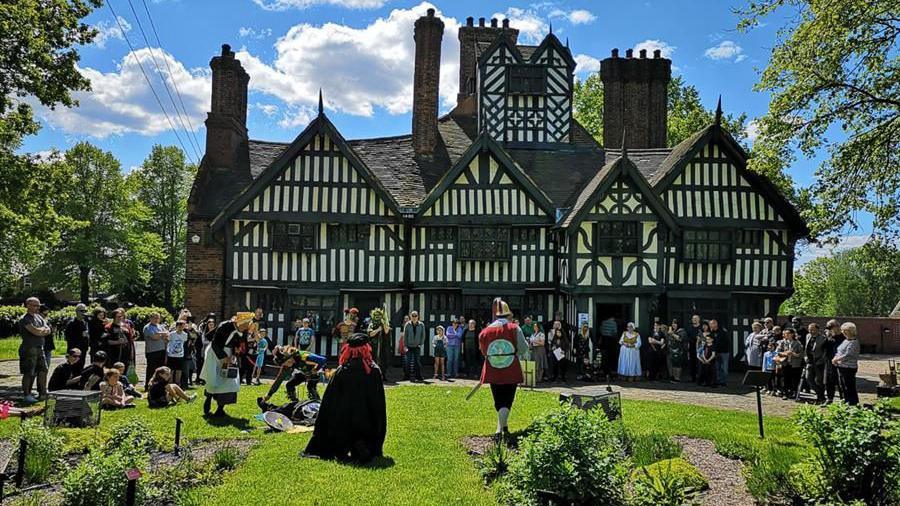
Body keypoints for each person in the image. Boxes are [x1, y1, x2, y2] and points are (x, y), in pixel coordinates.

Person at [303, 334, 386, 463]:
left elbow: (329, 401)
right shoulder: (373, 370)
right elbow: (378, 402)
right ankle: (364, 447)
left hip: (344, 422)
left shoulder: (342, 370)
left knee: (343, 420)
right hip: (366, 421)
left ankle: (347, 447)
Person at [477, 298, 529, 439]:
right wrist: (513, 354)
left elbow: (483, 351)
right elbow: (524, 348)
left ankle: (501, 427)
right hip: (511, 368)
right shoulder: (514, 328)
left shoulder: (484, 332)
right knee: (507, 400)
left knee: (499, 400)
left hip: (493, 368)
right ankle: (500, 429)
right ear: (508, 314)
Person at [199, 312, 255, 417]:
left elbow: (241, 344)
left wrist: (237, 351)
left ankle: (220, 409)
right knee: (213, 378)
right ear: (240, 321)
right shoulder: (225, 326)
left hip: (229, 355)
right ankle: (209, 398)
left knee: (228, 381)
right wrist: (224, 357)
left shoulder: (245, 330)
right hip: (216, 354)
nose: (247, 326)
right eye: (246, 323)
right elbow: (215, 344)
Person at [262, 346, 326, 403]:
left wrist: (316, 369)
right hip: (303, 372)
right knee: (289, 385)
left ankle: (317, 403)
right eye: (284, 364)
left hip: (315, 371)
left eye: (287, 362)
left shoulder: (303, 356)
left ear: (289, 357)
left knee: (311, 387)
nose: (286, 365)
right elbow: (279, 380)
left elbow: (322, 360)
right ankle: (295, 403)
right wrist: (269, 395)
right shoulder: (286, 366)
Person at [17, 297, 50, 404]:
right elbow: (35, 331)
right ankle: (27, 395)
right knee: (29, 372)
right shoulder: (25, 319)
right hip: (29, 348)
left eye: (38, 305)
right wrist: (41, 330)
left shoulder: (39, 317)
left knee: (43, 370)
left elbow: (48, 329)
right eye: (35, 305)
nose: (38, 308)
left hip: (40, 348)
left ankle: (43, 393)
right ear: (28, 305)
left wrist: (42, 330)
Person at [832, 322, 860, 406]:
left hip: (849, 367)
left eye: (845, 331)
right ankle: (846, 401)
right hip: (841, 366)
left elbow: (848, 354)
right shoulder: (845, 340)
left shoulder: (854, 342)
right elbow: (839, 351)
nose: (843, 332)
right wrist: (835, 358)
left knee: (849, 386)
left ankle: (853, 403)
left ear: (851, 331)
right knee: (842, 386)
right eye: (843, 330)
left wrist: (837, 359)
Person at [142, 313, 168, 388]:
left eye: (158, 318)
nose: (156, 319)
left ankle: (159, 385)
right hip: (152, 352)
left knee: (161, 370)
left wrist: (160, 334)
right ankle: (148, 385)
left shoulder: (161, 326)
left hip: (161, 350)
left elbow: (167, 336)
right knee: (151, 369)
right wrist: (162, 334)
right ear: (150, 318)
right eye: (154, 318)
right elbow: (154, 337)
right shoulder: (147, 327)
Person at [776, 328, 803, 399]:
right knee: (785, 379)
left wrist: (793, 353)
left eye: (788, 333)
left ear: (792, 334)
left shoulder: (797, 343)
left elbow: (801, 354)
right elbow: (778, 352)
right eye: (785, 333)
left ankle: (794, 392)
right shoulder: (782, 342)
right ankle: (785, 393)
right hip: (785, 363)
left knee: (794, 379)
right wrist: (785, 353)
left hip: (794, 364)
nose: (786, 335)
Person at [804, 322, 828, 404]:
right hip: (809, 362)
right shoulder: (808, 336)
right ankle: (820, 395)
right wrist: (805, 357)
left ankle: (820, 398)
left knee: (819, 381)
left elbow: (824, 352)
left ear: (817, 330)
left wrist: (821, 360)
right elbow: (806, 349)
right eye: (809, 330)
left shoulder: (823, 338)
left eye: (813, 330)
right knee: (808, 379)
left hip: (819, 362)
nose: (811, 331)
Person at [365, 309, 390, 381]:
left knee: (383, 361)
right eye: (376, 315)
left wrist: (385, 322)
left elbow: (386, 331)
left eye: (379, 316)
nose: (377, 317)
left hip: (383, 346)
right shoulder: (371, 324)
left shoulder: (383, 323)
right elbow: (370, 333)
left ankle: (383, 375)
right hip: (373, 346)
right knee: (373, 360)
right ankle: (373, 375)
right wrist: (378, 330)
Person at [64, 304, 90, 373]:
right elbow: (67, 337)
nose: (84, 313)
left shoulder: (85, 322)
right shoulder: (71, 323)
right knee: (72, 369)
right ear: (76, 311)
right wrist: (80, 335)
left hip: (83, 350)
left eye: (85, 311)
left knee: (80, 368)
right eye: (82, 311)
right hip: (74, 351)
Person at [823, 319, 843, 403]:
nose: (829, 329)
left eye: (831, 327)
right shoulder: (829, 337)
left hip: (840, 362)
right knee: (829, 380)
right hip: (829, 361)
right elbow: (823, 347)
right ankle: (829, 398)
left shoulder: (843, 337)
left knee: (840, 381)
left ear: (837, 327)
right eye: (828, 327)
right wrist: (827, 337)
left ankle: (843, 399)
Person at [402, 311, 425, 382]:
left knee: (417, 362)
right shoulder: (407, 324)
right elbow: (405, 336)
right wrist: (405, 345)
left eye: (415, 316)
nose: (414, 317)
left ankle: (418, 376)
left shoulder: (421, 325)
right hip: (409, 346)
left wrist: (420, 344)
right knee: (407, 362)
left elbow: (423, 335)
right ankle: (406, 376)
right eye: (413, 316)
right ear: (411, 317)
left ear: (418, 316)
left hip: (417, 346)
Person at [166, 320, 188, 387]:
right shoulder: (172, 334)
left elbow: (184, 341)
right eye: (179, 326)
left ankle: (177, 384)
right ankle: (170, 383)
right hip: (171, 355)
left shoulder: (185, 335)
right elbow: (167, 341)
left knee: (179, 370)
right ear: (176, 327)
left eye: (182, 326)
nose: (180, 328)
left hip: (180, 355)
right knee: (171, 370)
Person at [196, 315, 217, 385]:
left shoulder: (216, 332)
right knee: (204, 365)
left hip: (214, 351)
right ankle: (203, 379)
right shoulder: (204, 333)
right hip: (205, 350)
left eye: (212, 325)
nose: (211, 326)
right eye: (210, 325)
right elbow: (203, 341)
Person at [39, 304, 54, 369]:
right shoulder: (37, 322)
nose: (46, 316)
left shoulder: (47, 321)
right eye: (45, 314)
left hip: (48, 346)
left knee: (46, 367)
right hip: (42, 346)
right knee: (42, 368)